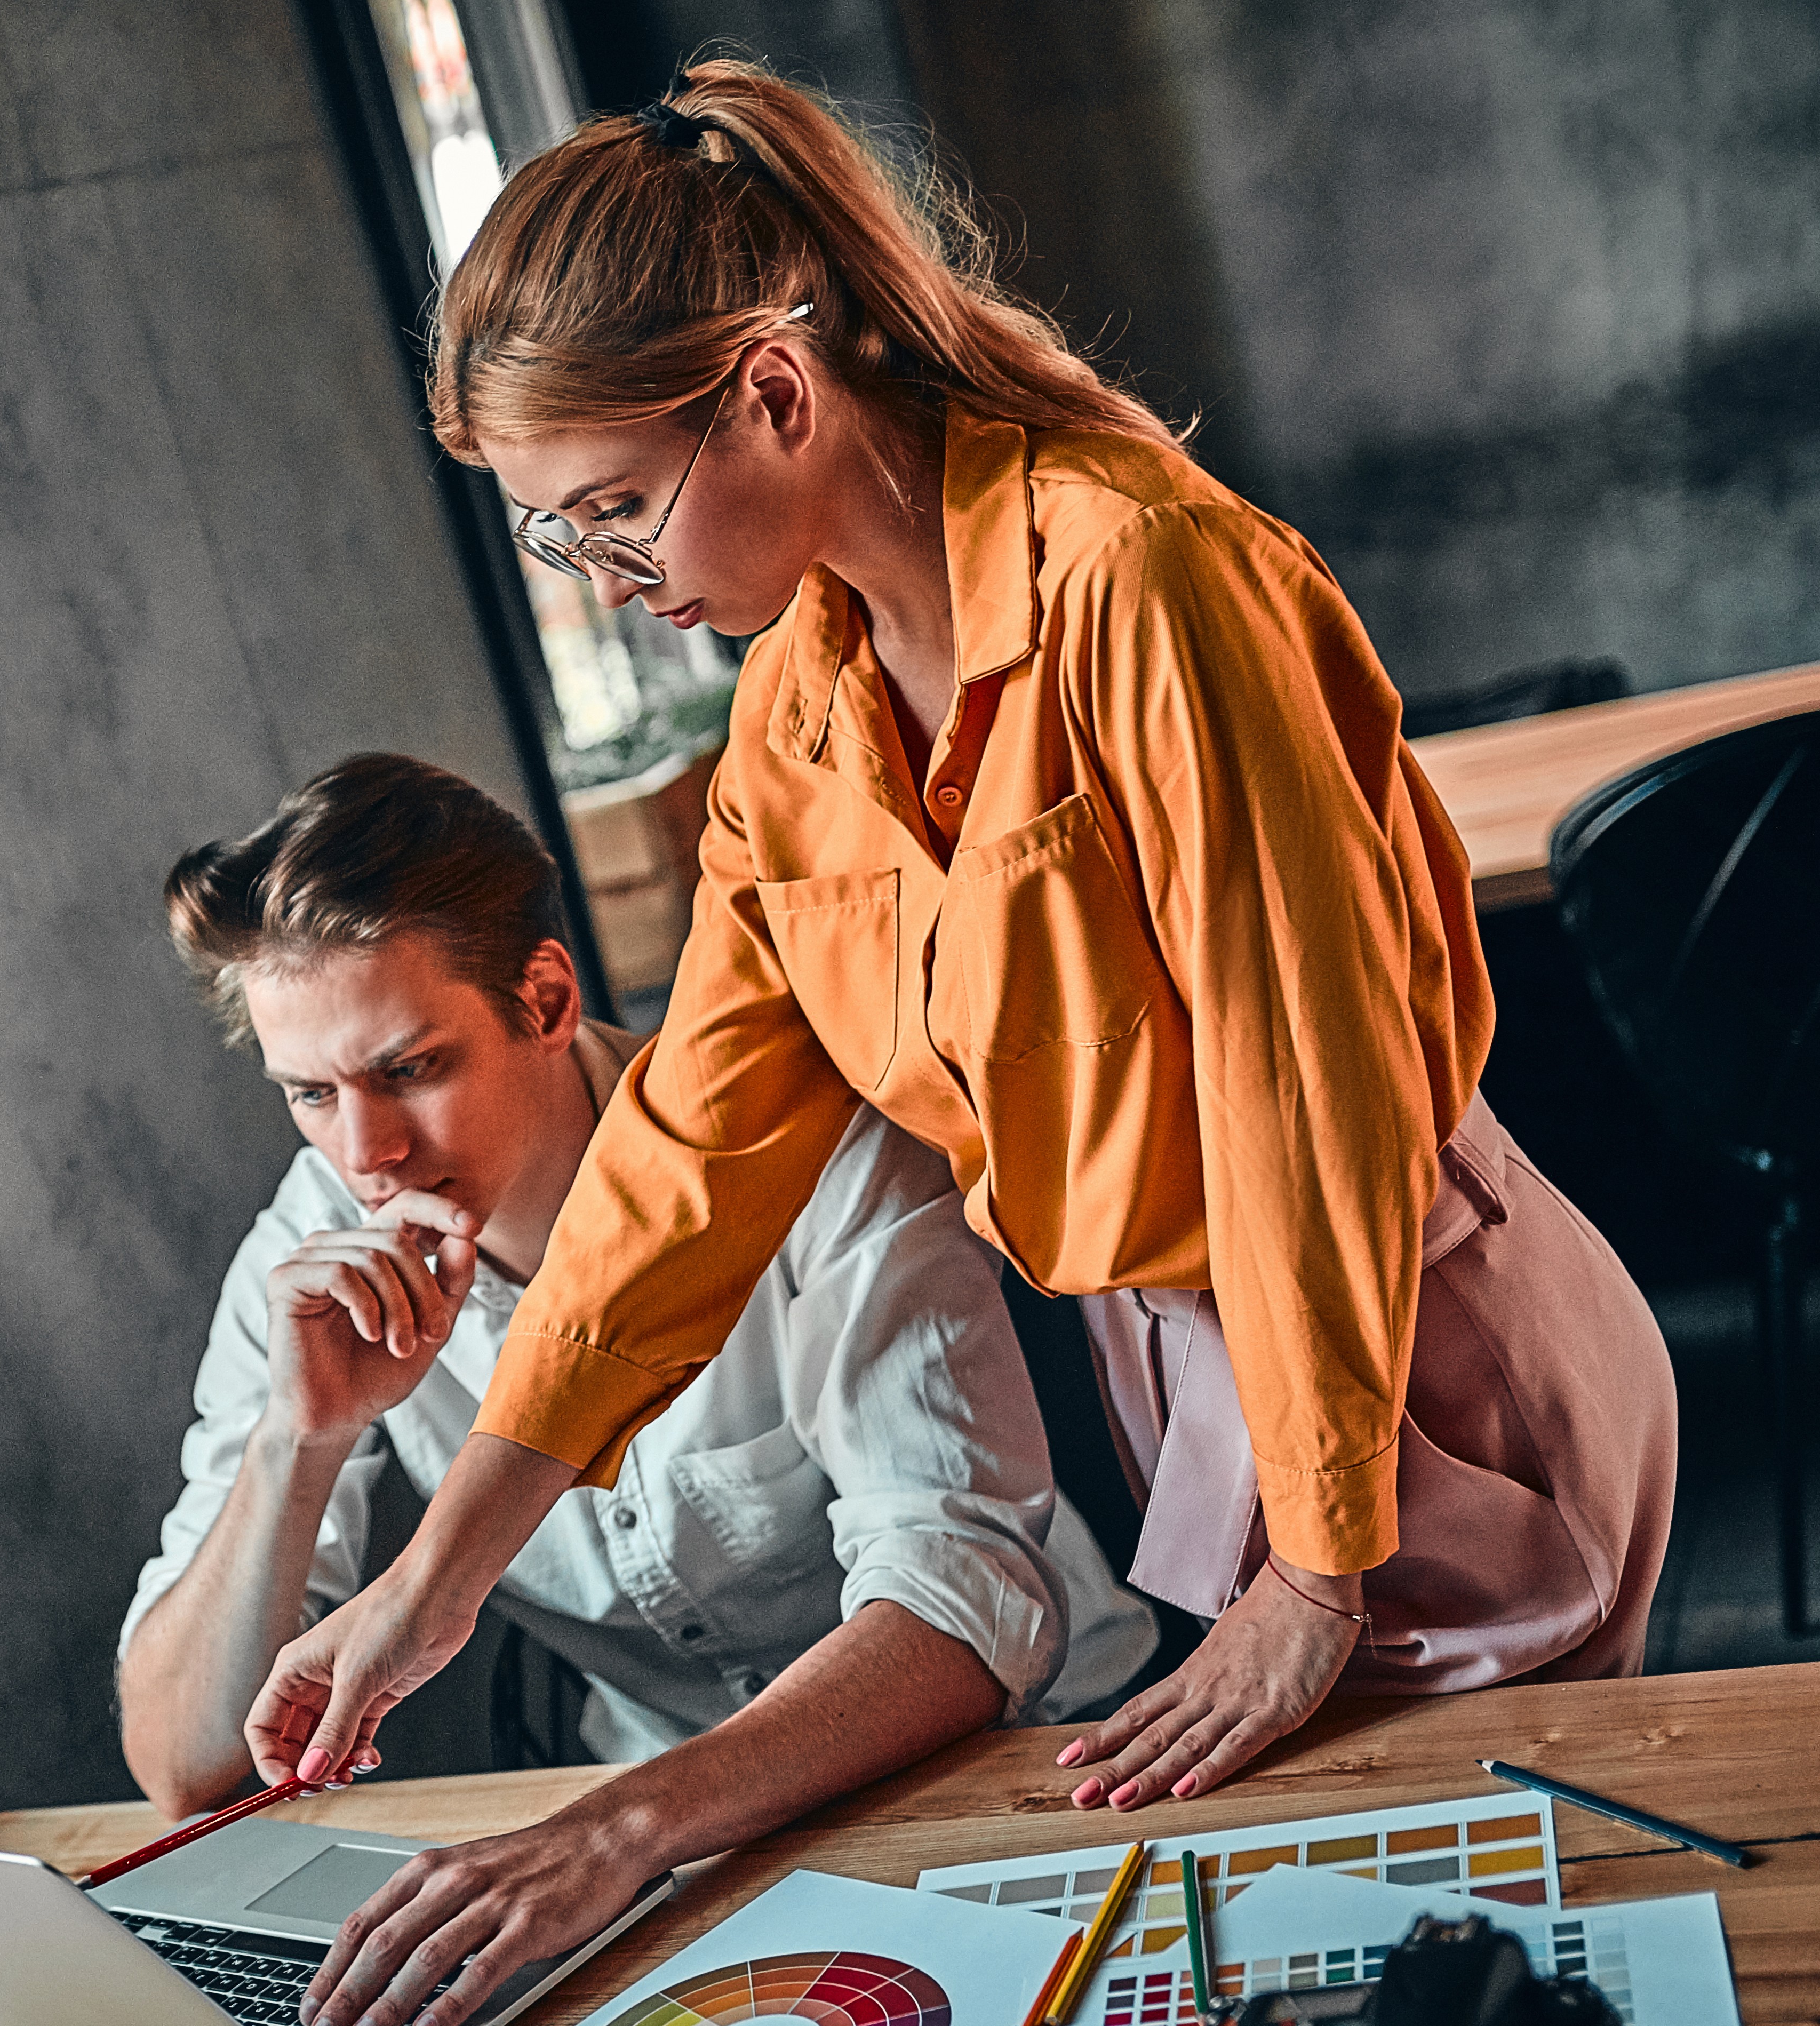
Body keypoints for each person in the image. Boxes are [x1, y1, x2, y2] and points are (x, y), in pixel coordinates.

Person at [247, 65, 1675, 2026]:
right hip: (1203, 1388)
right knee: (1373, 1968)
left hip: (1403, 1337)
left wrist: (1317, 1566)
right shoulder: (797, 712)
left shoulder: (1136, 575)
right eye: (554, 544)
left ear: (767, 391)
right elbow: (680, 1172)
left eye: (608, 515)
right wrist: (431, 1580)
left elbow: (1303, 1090)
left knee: (1522, 1978)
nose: (608, 585)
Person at [124, 753, 1155, 1876]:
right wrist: (297, 1441)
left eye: (411, 1068)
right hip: (652, 1844)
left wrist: (615, 1835)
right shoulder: (306, 1252)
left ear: (548, 1001)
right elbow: (183, 1770)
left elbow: (962, 1598)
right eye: (312, 1095)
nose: (365, 1154)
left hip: (1039, 1766)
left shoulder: (813, 1142)